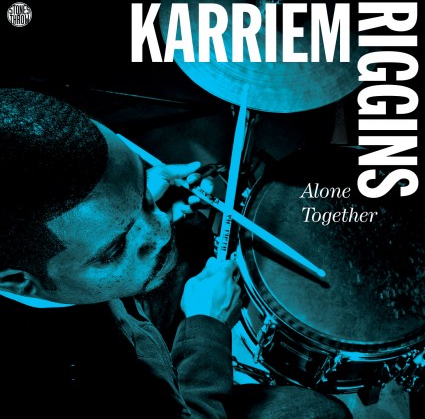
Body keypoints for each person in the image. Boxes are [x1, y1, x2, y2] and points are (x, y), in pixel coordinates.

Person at [0, 88, 352, 418]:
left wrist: (130, 200)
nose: (161, 230)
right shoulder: (83, 381)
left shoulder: (57, 262)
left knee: (191, 237)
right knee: (321, 412)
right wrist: (207, 329)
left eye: (146, 200)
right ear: (18, 281)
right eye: (115, 249)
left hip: (122, 312)